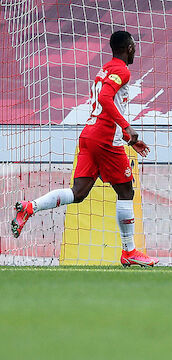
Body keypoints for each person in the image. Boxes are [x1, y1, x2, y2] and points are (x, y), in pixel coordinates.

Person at [11, 31, 159, 267]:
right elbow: (105, 99)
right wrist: (126, 127)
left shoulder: (105, 69)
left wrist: (130, 139)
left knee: (78, 193)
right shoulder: (122, 70)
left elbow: (105, 104)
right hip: (105, 139)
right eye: (134, 47)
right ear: (129, 47)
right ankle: (129, 251)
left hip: (89, 135)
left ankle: (30, 207)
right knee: (126, 192)